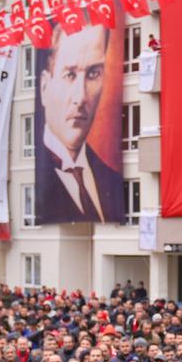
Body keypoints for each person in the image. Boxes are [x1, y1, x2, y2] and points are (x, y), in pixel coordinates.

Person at [34, 23, 124, 223]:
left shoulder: (113, 181)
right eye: (70, 75)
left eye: (93, 74)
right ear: (44, 87)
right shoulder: (38, 174)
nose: (81, 97)